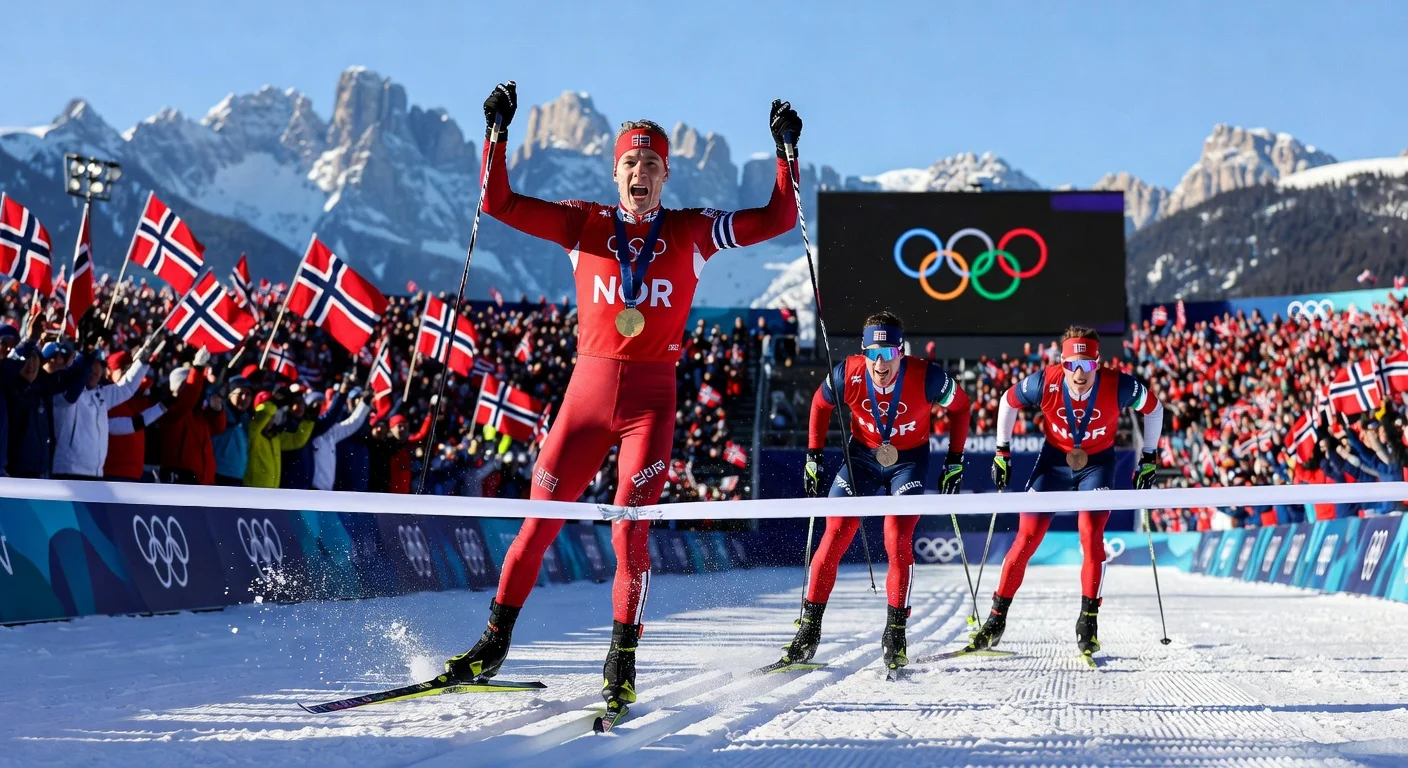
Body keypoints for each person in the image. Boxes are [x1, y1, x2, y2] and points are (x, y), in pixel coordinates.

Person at [444, 81, 801, 712]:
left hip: (650, 406)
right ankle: (492, 643)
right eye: (631, 163)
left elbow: (778, 219)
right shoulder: (585, 221)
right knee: (538, 526)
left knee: (628, 534)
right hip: (584, 399)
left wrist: (785, 153)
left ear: (666, 175)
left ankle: (621, 661)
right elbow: (495, 201)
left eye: (653, 165)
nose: (641, 172)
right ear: (616, 173)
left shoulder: (693, 231)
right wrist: (498, 134)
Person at [777, 311, 971, 673]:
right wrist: (813, 456)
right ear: (864, 353)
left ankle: (895, 633)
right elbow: (820, 405)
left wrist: (955, 459)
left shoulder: (927, 375)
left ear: (901, 352)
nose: (881, 364)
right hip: (863, 457)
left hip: (908, 462)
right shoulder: (847, 372)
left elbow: (962, 407)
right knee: (835, 533)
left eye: (889, 354)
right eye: (873, 355)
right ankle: (809, 631)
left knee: (897, 538)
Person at [970, 326, 1165, 658]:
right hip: (1054, 463)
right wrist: (1002, 451)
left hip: (1097, 465)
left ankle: (1088, 621)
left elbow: (1154, 408)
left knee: (1090, 535)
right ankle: (996, 618)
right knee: (1027, 537)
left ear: (1097, 364)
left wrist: (1149, 456)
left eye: (1087, 365)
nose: (1079, 373)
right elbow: (1007, 401)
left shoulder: (1119, 384)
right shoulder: (1045, 381)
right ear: (1062, 363)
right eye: (1073, 364)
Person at [52, 337, 155, 479]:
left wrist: (144, 358)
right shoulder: (65, 392)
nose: (95, 370)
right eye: (91, 366)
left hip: (96, 475)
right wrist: (86, 357)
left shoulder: (100, 395)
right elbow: (71, 390)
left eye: (99, 366)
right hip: (68, 473)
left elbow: (127, 387)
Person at [245, 388, 315, 489]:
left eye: (273, 416)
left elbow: (297, 441)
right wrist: (275, 402)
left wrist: (308, 421)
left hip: (272, 490)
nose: (271, 419)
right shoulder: (253, 433)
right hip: (254, 489)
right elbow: (263, 413)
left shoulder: (276, 437)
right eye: (269, 416)